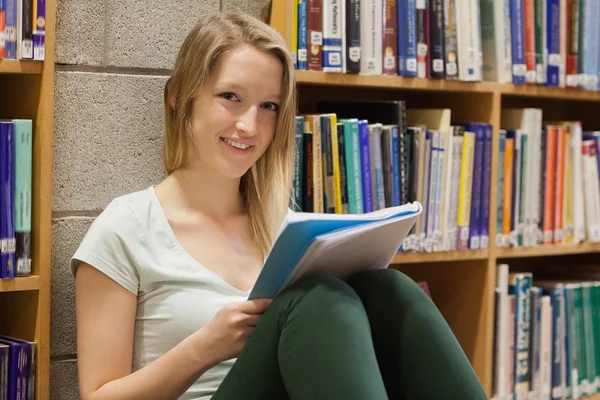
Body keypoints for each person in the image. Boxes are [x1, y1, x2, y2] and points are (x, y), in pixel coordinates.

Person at [71, 11, 488, 400]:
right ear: (179, 98)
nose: (250, 125)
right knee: (312, 300)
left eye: (268, 106)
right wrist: (205, 347)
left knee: (387, 287)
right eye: (230, 96)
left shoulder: (284, 230)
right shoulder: (125, 227)